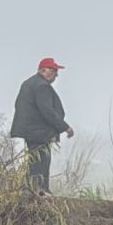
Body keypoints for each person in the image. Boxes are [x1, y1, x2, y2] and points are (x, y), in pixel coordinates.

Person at [10, 58, 72, 193]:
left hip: (31, 130)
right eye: (54, 71)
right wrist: (64, 127)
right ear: (44, 70)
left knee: (35, 160)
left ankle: (35, 190)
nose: (56, 75)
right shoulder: (42, 86)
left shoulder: (28, 83)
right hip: (39, 131)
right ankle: (39, 191)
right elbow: (47, 110)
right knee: (41, 161)